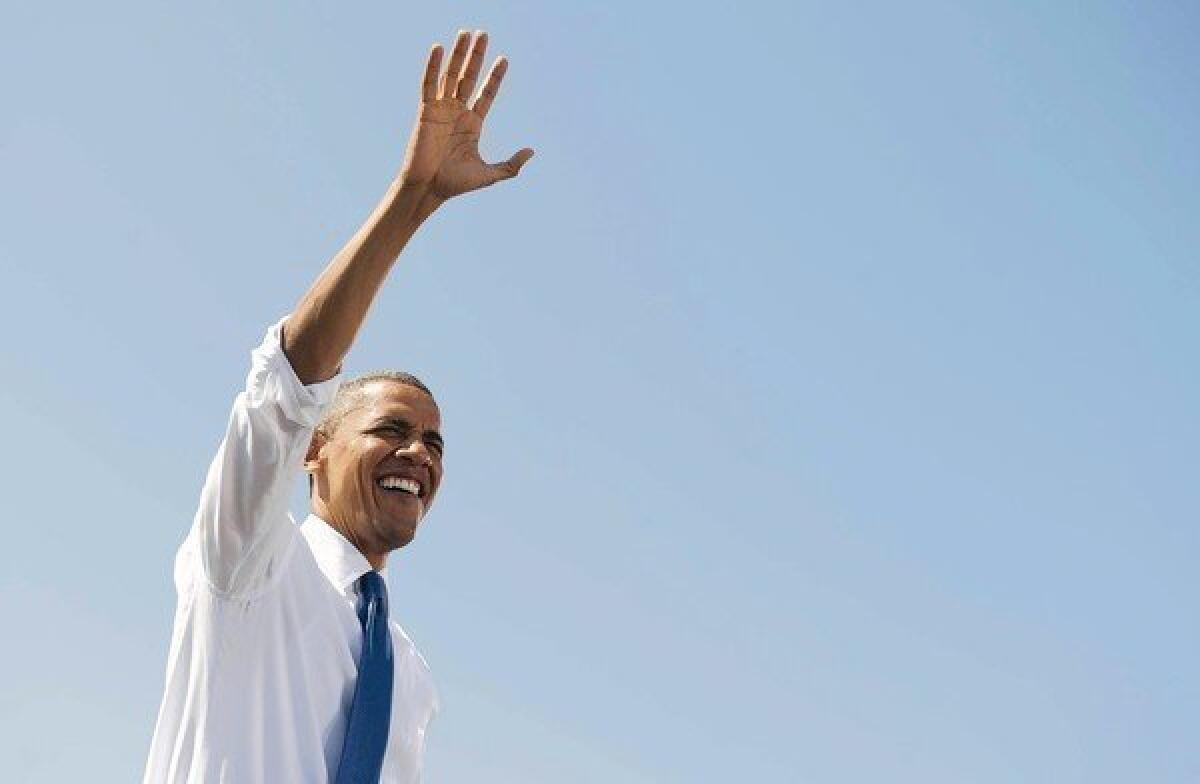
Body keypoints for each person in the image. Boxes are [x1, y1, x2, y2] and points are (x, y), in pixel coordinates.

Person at [141, 29, 533, 784]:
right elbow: (286, 384)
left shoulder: (409, 678)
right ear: (315, 449)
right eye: (391, 429)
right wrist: (412, 201)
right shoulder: (248, 563)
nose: (421, 453)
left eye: (435, 444)